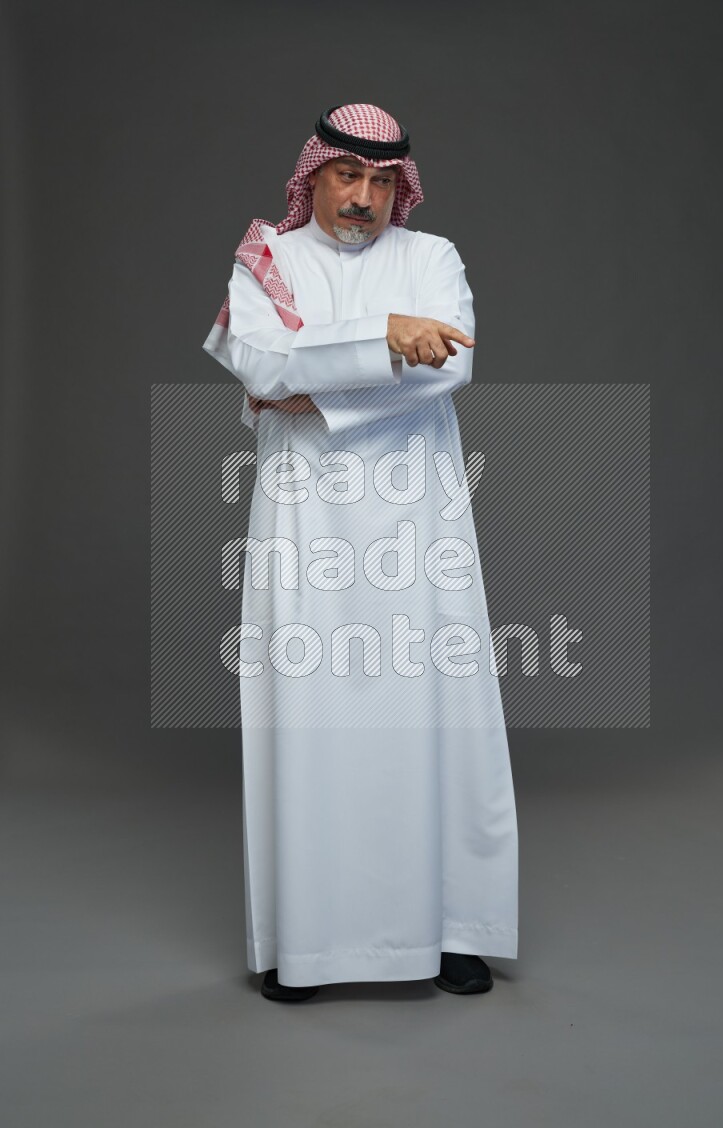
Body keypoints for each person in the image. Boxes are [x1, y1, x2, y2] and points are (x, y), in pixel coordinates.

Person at [203, 103, 518, 1002]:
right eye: (349, 177)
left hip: (419, 523)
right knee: (309, 716)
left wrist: (319, 386)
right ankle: (305, 944)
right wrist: (383, 343)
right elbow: (261, 368)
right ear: (315, 177)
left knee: (438, 710)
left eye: (383, 183)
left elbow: (449, 368)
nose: (364, 198)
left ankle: (454, 929)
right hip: (306, 528)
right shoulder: (268, 257)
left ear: (400, 189)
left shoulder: (433, 259)